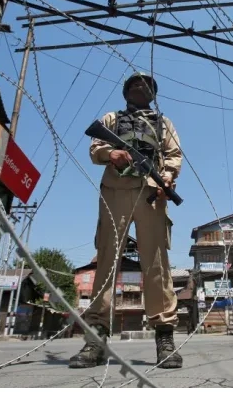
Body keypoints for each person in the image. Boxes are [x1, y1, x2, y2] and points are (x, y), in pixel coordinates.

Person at [69, 72, 183, 369]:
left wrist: (167, 178)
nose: (139, 87)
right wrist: (113, 152)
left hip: (151, 195)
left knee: (156, 265)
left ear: (153, 93)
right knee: (106, 262)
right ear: (125, 92)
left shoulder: (163, 122)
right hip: (115, 192)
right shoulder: (110, 119)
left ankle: (165, 338)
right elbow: (95, 149)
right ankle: (95, 340)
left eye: (145, 85)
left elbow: (173, 154)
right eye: (133, 84)